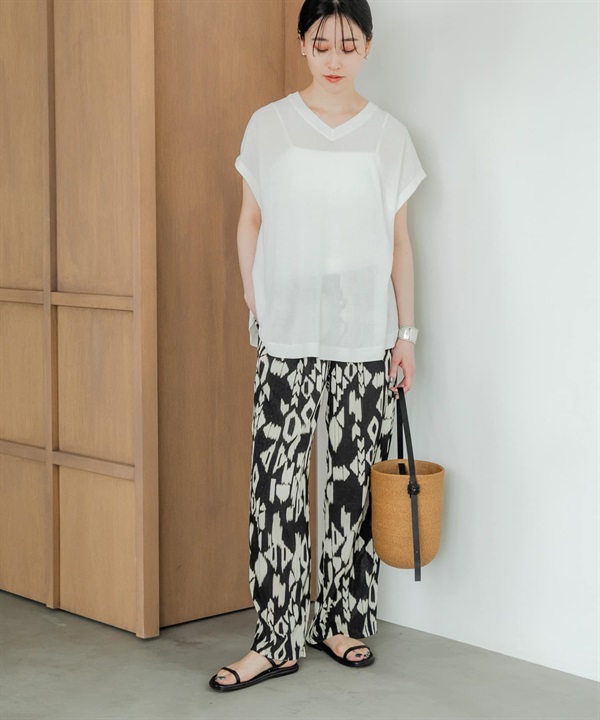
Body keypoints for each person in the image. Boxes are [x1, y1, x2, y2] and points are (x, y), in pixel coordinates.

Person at [209, 0, 426, 692]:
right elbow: (249, 220)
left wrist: (407, 334)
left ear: (368, 48)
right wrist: (256, 297)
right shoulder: (269, 126)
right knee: (275, 486)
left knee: (351, 482)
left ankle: (341, 620)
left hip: (364, 334)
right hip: (288, 332)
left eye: (349, 44)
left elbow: (399, 242)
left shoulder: (389, 136)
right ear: (302, 44)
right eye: (322, 43)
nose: (335, 58)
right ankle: (275, 639)